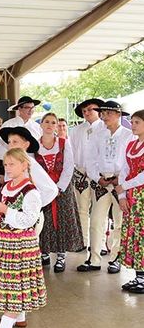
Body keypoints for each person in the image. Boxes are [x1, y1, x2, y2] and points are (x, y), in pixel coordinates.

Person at [0, 148, 46, 328]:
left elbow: (29, 220)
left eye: (12, 164)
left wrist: (6, 210)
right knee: (7, 281)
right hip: (3, 241)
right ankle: (19, 316)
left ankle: (5, 327)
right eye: (6, 164)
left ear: (24, 165)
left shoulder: (31, 191)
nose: (7, 168)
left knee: (14, 282)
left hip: (19, 244)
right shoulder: (7, 186)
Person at [78, 101, 135, 273]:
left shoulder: (128, 135)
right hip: (102, 182)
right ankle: (94, 258)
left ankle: (115, 258)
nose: (104, 116)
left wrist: (121, 179)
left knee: (119, 222)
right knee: (96, 220)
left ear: (119, 115)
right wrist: (97, 178)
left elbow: (130, 160)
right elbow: (90, 159)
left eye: (109, 113)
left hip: (120, 183)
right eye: (103, 113)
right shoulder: (97, 134)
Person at [35, 113, 83, 272]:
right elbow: (33, 168)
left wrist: (59, 187)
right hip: (43, 188)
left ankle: (61, 256)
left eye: (53, 122)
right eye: (46, 122)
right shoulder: (35, 145)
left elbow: (69, 166)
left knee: (62, 220)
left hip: (62, 188)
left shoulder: (63, 143)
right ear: (41, 124)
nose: (49, 125)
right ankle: (44, 252)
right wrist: (44, 187)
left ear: (57, 126)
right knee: (44, 219)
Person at [70, 98, 105, 251]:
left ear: (99, 110)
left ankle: (100, 244)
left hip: (100, 174)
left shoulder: (105, 128)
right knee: (81, 208)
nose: (87, 113)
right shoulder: (76, 130)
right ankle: (83, 241)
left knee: (100, 211)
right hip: (81, 172)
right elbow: (71, 153)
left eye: (91, 109)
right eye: (84, 111)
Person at [116, 109, 144, 293]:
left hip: (140, 195)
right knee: (133, 234)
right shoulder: (131, 145)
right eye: (132, 122)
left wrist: (125, 187)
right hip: (132, 195)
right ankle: (139, 275)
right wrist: (122, 195)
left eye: (136, 122)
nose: (132, 125)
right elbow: (124, 170)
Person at [0, 96, 43, 172]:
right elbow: (0, 149)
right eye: (27, 107)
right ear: (20, 109)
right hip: (12, 165)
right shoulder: (8, 125)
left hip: (31, 166)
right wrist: (1, 172)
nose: (31, 110)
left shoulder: (37, 127)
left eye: (32, 108)